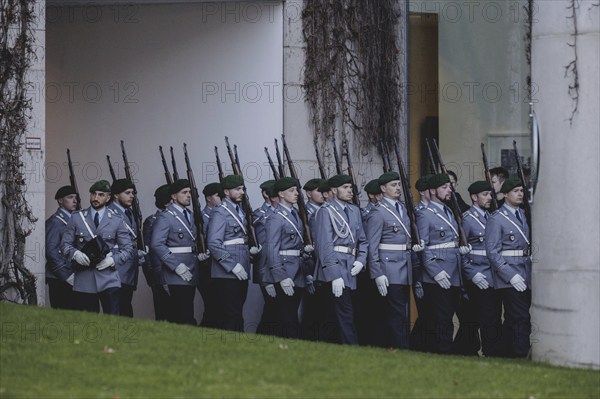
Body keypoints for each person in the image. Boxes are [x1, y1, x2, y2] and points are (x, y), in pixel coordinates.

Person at [366, 172, 425, 349]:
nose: (398, 188)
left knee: (399, 311)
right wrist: (377, 272)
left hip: (404, 266)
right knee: (396, 313)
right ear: (383, 189)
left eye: (399, 184)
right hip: (388, 269)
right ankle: (401, 348)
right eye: (393, 185)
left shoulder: (402, 208)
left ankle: (391, 346)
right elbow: (372, 246)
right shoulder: (378, 212)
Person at [416, 173, 471, 354]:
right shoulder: (425, 215)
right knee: (441, 320)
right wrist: (435, 271)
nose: (449, 190)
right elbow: (423, 247)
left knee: (446, 317)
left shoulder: (448, 210)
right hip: (437, 276)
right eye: (445, 187)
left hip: (454, 273)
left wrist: (459, 250)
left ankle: (441, 352)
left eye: (449, 187)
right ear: (432, 190)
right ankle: (442, 353)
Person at [61, 180, 134, 314]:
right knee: (86, 324)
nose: (95, 198)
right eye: (93, 194)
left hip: (108, 278)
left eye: (101, 195)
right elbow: (65, 245)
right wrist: (76, 254)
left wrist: (113, 260)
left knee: (112, 323)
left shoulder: (116, 219)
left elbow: (128, 249)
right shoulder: (77, 218)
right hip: (84, 279)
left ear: (108, 197)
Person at [314, 174, 368, 345]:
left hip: (351, 267)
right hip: (335, 268)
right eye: (345, 187)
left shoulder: (354, 210)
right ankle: (352, 350)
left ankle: (323, 348)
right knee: (345, 313)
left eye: (350, 187)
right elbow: (324, 244)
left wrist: (361, 260)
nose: (350, 191)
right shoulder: (326, 211)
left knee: (331, 315)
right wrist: (334, 274)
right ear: (334, 190)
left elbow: (363, 241)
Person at [207, 174, 260, 332]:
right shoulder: (220, 212)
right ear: (226, 191)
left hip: (240, 268)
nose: (242, 192)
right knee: (231, 315)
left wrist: (249, 253)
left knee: (236, 314)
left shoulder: (238, 211)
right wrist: (232, 266)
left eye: (242, 188)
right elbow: (213, 243)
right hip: (227, 273)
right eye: (237, 189)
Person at [486, 177, 532, 358]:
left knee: (514, 318)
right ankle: (521, 354)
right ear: (505, 194)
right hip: (510, 274)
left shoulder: (523, 214)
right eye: (515, 191)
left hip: (525, 271)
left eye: (521, 190)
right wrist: (509, 275)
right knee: (521, 317)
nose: (520, 193)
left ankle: (502, 352)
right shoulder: (496, 219)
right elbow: (492, 252)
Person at [460, 180, 503, 356]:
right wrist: (472, 274)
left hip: (495, 275)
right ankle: (490, 351)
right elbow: (461, 252)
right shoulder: (467, 219)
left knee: (495, 314)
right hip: (479, 275)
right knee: (486, 316)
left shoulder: (492, 217)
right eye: (485, 195)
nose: (489, 198)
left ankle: (496, 350)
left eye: (490, 194)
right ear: (473, 197)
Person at [264, 177, 309, 338]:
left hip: (298, 270)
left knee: (289, 314)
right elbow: (271, 249)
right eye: (292, 190)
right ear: (281, 194)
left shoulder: (295, 214)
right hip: (285, 271)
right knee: (288, 317)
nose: (297, 193)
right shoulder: (276, 217)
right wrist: (280, 275)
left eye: (296, 190)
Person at [151, 179, 200, 325]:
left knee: (187, 313)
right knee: (182, 316)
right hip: (176, 272)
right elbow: (156, 244)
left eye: (189, 192)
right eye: (184, 193)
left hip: (191, 268)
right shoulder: (166, 216)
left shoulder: (190, 214)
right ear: (173, 196)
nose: (188, 195)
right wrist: (175, 265)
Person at [108, 179, 144, 317]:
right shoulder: (109, 212)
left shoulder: (128, 212)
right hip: (116, 270)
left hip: (128, 270)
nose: (131, 196)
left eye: (132, 193)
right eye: (127, 193)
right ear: (116, 195)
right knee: (118, 311)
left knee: (125, 308)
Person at [253, 180, 280, 335]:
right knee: (272, 308)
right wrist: (265, 278)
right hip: (267, 270)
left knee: (278, 310)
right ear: (266, 195)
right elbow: (264, 247)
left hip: (281, 267)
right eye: (275, 195)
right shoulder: (259, 214)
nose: (278, 198)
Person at [142, 184, 172, 321]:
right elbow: (149, 252)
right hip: (160, 275)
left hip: (177, 273)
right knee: (164, 315)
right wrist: (156, 279)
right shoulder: (152, 221)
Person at [409, 174, 432, 351]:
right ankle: (417, 345)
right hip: (421, 269)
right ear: (424, 192)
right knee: (425, 312)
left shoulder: (443, 211)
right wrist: (417, 277)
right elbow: (415, 249)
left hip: (438, 268)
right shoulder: (417, 213)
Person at [45, 185, 78, 310]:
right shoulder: (55, 222)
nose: (74, 201)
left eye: (75, 197)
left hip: (73, 276)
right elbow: (51, 251)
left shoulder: (73, 220)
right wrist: (67, 276)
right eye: (70, 197)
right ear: (60, 200)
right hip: (60, 278)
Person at [197, 182, 223, 328]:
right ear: (208, 198)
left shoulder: (222, 214)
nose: (221, 198)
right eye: (217, 195)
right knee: (212, 308)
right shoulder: (202, 218)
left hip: (220, 268)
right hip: (206, 268)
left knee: (221, 309)